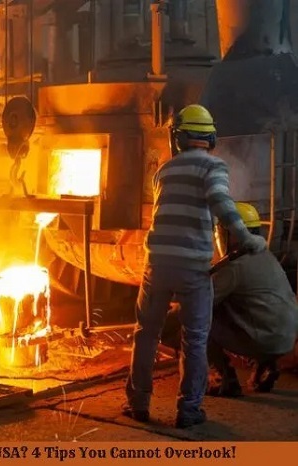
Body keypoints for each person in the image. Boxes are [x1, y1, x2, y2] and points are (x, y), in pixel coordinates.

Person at [123, 104, 268, 429]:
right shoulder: (213, 166)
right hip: (192, 269)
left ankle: (137, 404)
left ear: (178, 139)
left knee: (146, 334)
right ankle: (188, 411)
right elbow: (221, 203)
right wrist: (246, 237)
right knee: (195, 338)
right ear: (211, 138)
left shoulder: (164, 171)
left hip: (156, 265)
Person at [161, 202, 298, 397]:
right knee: (238, 309)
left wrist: (159, 322)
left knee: (196, 323)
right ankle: (265, 365)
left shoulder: (235, 266)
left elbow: (197, 304)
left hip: (263, 337)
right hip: (285, 337)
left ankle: (223, 379)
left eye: (220, 230)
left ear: (232, 233)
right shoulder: (265, 256)